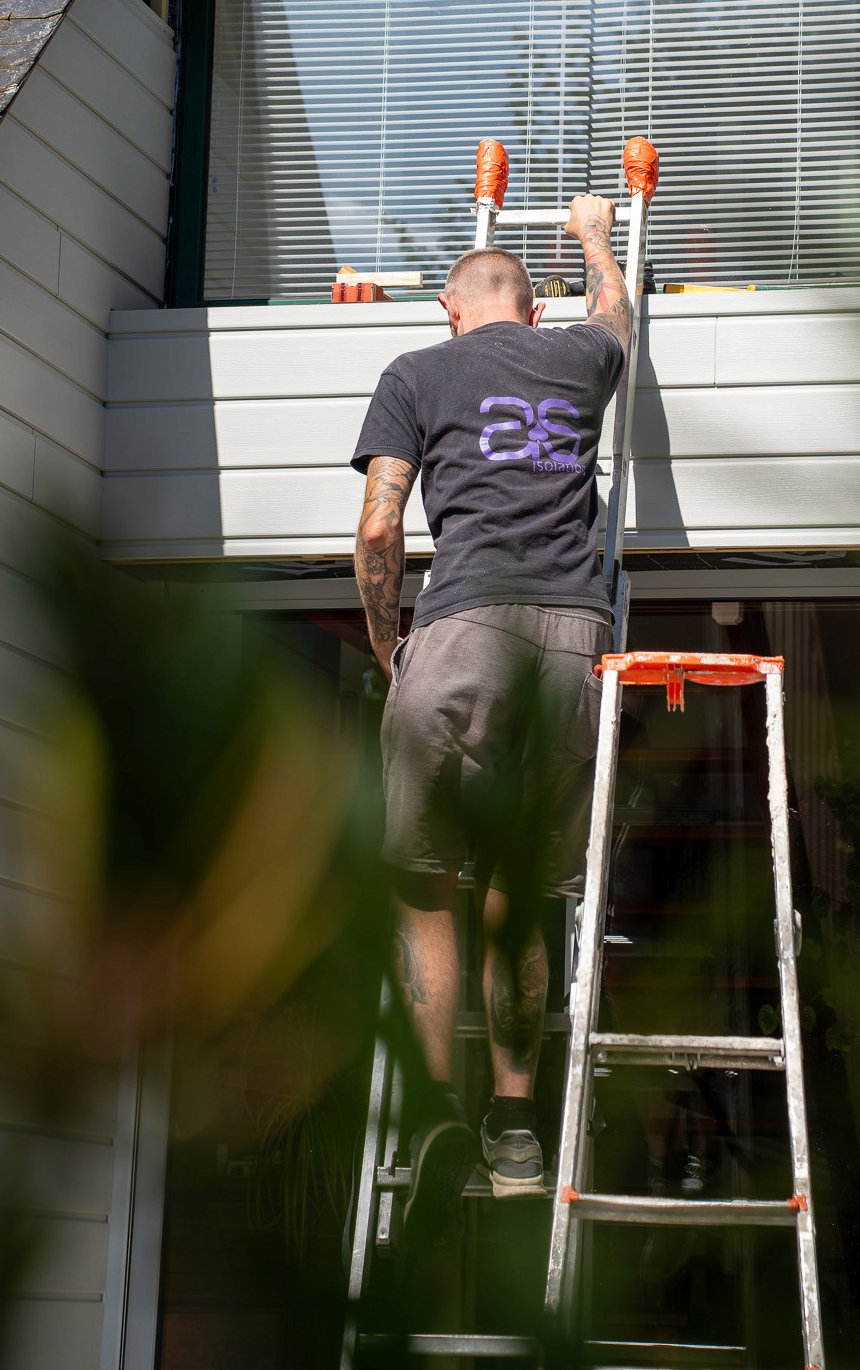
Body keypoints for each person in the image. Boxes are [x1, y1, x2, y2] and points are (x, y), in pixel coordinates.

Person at [351, 195, 634, 1247]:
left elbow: (380, 525)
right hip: (571, 637)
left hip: (460, 629)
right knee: (522, 890)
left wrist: (389, 642)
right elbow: (618, 314)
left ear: (449, 307)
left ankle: (434, 1111)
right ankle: (515, 1127)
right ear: (531, 307)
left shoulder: (416, 372)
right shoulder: (577, 356)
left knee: (422, 880)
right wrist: (596, 235)